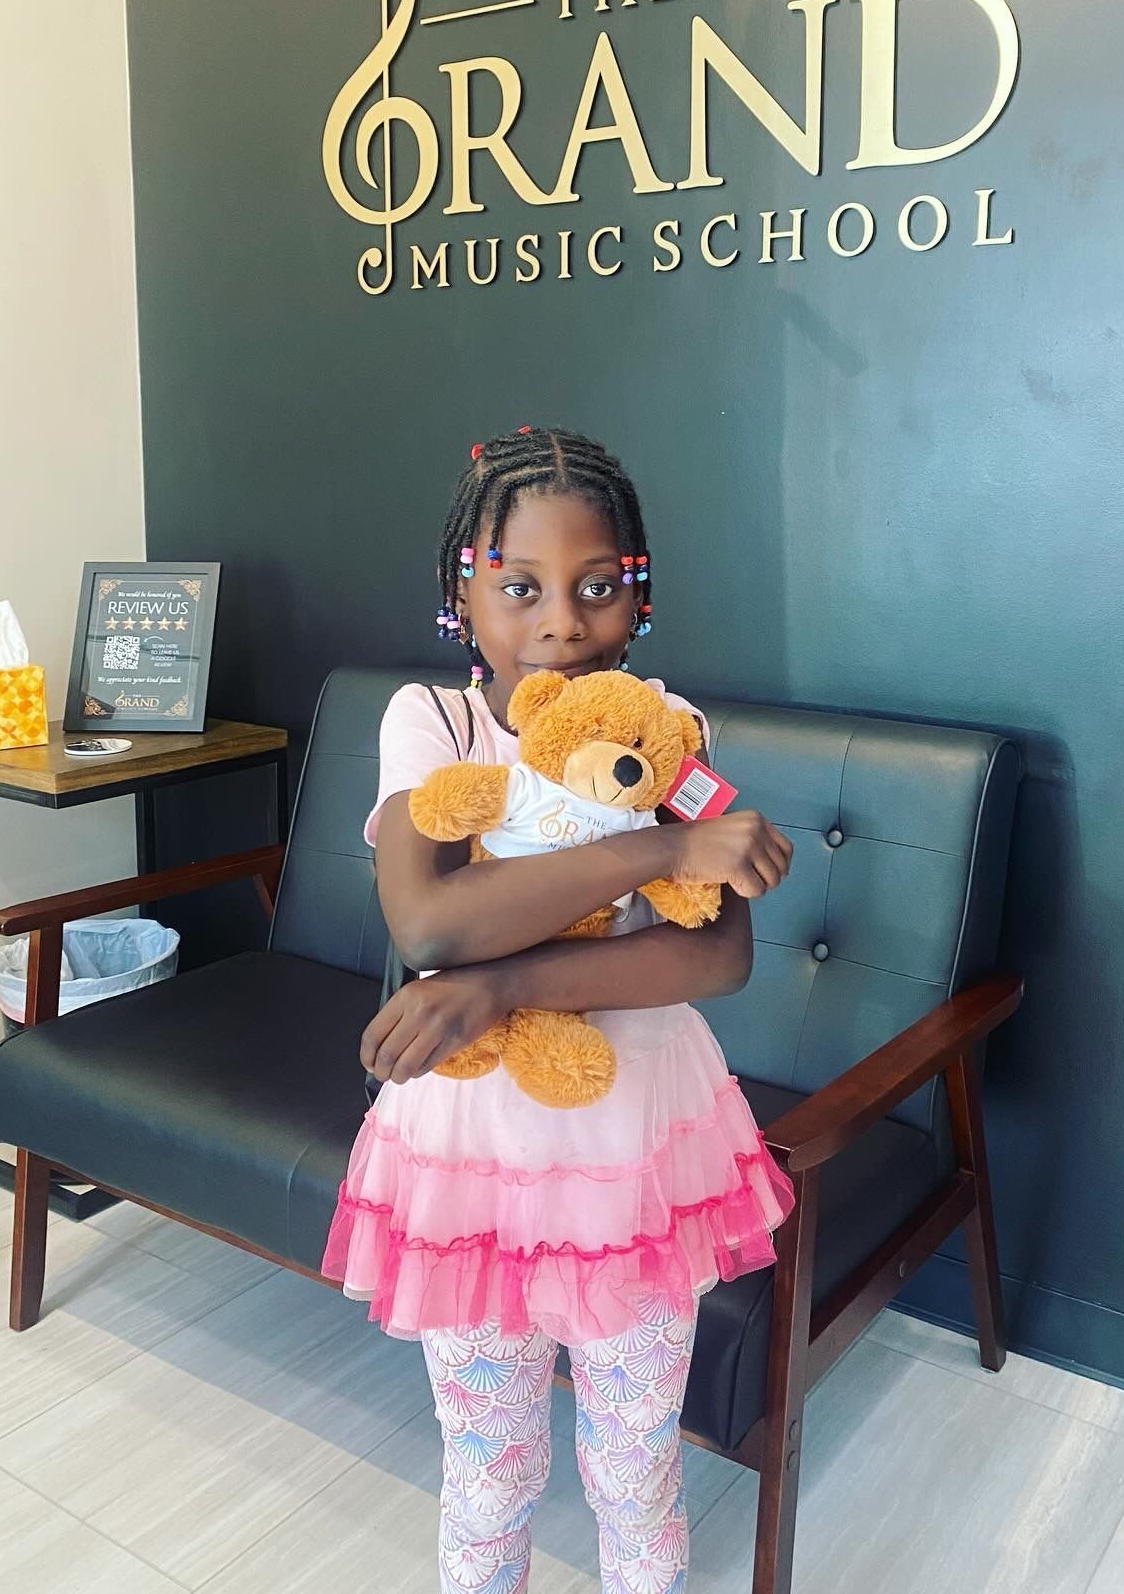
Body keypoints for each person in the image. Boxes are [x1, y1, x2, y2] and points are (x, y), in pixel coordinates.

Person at [322, 426, 795, 1594]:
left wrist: (504, 985)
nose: (561, 623)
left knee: (637, 1466)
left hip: (637, 1142)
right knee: (490, 1467)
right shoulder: (433, 726)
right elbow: (428, 926)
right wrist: (665, 844)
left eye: (598, 589)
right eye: (520, 586)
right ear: (461, 592)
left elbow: (721, 949)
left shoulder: (663, 729)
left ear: (639, 592)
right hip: (471, 1154)